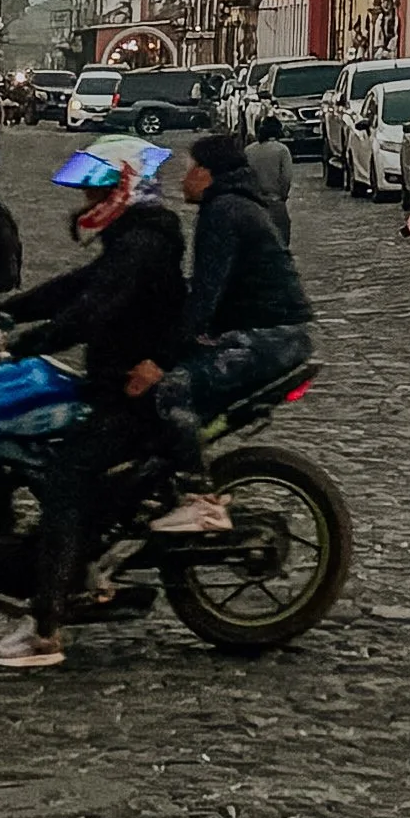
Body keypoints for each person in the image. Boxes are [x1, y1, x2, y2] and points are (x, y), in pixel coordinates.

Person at [0, 142, 191, 672]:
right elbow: (76, 286)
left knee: (67, 478)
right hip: (113, 381)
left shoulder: (143, 244)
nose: (89, 199)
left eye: (97, 189)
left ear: (124, 185)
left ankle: (45, 628)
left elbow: (90, 312)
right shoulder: (130, 239)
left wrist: (11, 347)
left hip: (135, 392)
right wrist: (4, 310)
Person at [152, 132, 313, 530]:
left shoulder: (223, 211)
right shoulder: (237, 205)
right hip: (272, 332)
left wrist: (164, 355)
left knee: (172, 387)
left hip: (269, 339)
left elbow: (206, 294)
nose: (183, 179)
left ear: (206, 173)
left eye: (188, 170)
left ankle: (197, 496)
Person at [246, 110, 295, 248]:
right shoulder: (282, 150)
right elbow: (286, 177)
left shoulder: (249, 150)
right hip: (275, 202)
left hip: (253, 204)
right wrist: (283, 196)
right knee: (281, 245)